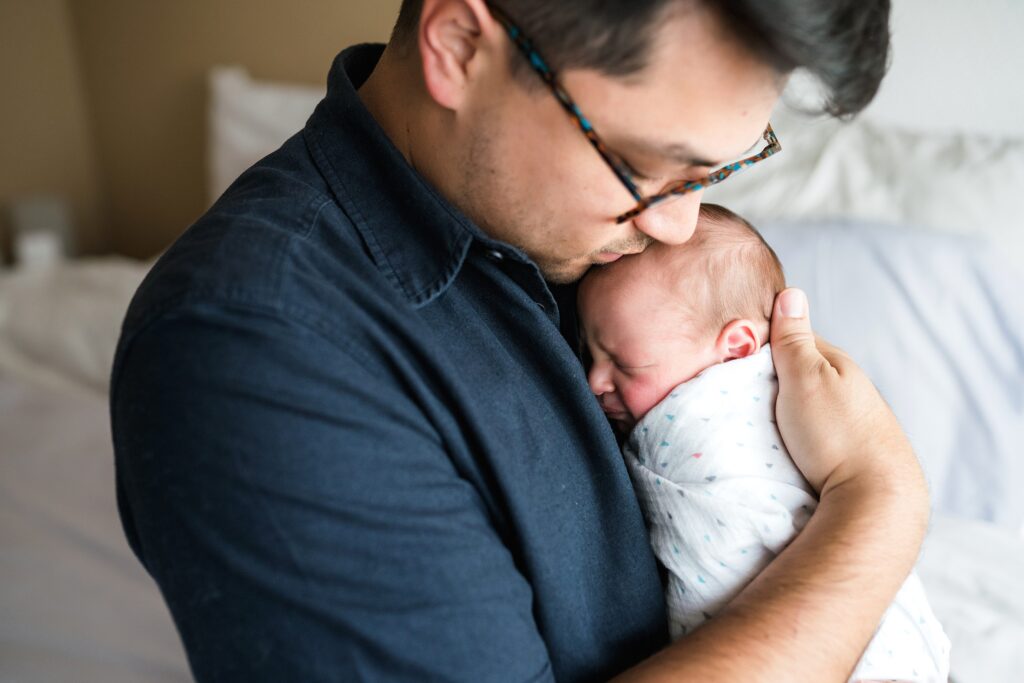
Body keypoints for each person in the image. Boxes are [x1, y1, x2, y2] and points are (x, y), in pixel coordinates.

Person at [110, 0, 929, 680]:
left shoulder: (590, 245)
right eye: (646, 167)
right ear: (460, 45)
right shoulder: (256, 351)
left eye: (711, 175)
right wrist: (880, 497)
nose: (677, 225)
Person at [577, 204, 950, 682]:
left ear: (736, 350)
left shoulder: (729, 405)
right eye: (589, 353)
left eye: (624, 365)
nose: (594, 381)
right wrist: (881, 486)